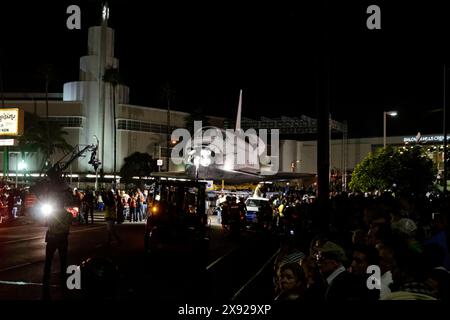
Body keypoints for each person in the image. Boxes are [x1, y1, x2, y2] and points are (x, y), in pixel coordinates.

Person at [42, 192, 73, 299]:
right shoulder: (68, 214)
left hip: (52, 238)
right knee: (63, 259)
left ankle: (46, 277)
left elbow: (47, 223)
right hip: (62, 238)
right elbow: (69, 225)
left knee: (48, 259)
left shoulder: (51, 214)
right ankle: (63, 277)